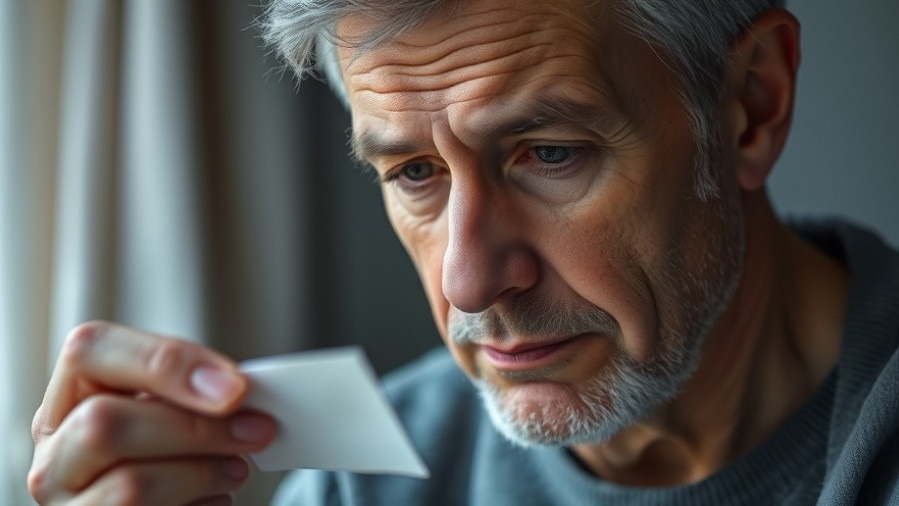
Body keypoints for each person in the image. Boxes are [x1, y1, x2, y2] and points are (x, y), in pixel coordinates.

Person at [27, 0, 899, 504]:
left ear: (750, 103)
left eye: (549, 152)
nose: (468, 279)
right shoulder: (359, 488)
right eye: (412, 172)